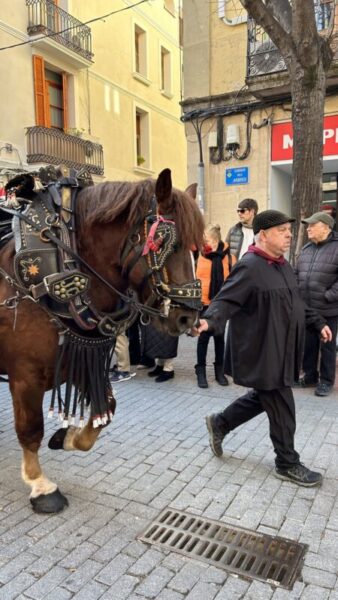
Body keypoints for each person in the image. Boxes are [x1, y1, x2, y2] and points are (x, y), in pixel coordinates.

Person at [194, 209, 332, 487]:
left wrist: (317, 323)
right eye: (283, 231)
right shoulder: (250, 265)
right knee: (281, 403)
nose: (289, 235)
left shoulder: (281, 264)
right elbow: (226, 300)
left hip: (283, 347)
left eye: (289, 231)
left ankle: (220, 422)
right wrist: (208, 322)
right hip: (263, 349)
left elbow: (297, 302)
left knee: (264, 396)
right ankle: (287, 463)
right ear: (264, 234)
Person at [295, 211, 338, 397]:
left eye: (313, 225)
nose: (308, 228)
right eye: (308, 225)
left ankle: (326, 381)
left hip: (329, 309)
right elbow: (297, 273)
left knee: (327, 346)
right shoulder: (306, 249)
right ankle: (310, 376)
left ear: (327, 227)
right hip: (307, 308)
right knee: (308, 345)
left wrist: (328, 295)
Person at [195, 224, 236, 388]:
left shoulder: (230, 258)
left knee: (220, 338)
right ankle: (201, 372)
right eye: (204, 241)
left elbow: (233, 281)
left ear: (217, 240)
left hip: (220, 304)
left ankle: (220, 371)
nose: (207, 244)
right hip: (203, 303)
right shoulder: (200, 255)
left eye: (209, 241)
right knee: (202, 338)